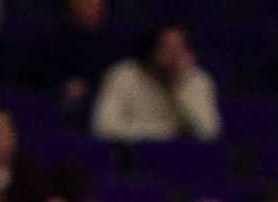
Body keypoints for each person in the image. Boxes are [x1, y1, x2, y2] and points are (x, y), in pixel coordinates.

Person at [90, 25, 221, 144]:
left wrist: (179, 86)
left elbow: (208, 132)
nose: (173, 56)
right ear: (151, 50)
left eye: (179, 48)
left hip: (180, 159)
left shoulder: (197, 79)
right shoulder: (124, 74)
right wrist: (162, 132)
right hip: (131, 158)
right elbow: (103, 126)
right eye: (166, 48)